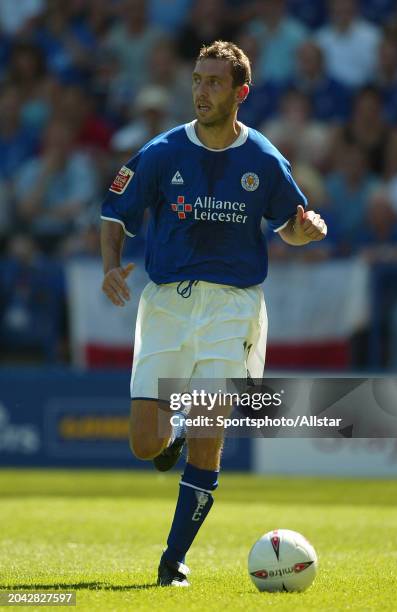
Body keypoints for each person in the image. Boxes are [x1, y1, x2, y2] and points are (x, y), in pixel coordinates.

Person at [100, 40, 327, 588]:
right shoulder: (161, 151)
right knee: (145, 444)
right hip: (166, 305)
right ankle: (171, 428)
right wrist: (111, 263)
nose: (201, 91)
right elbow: (114, 210)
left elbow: (290, 226)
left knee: (209, 431)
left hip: (232, 306)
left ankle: (172, 561)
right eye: (197, 80)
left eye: (214, 82)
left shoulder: (264, 159)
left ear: (240, 93)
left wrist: (306, 231)